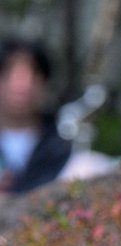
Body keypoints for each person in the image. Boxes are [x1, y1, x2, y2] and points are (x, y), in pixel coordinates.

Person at [0, 37, 71, 195]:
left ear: (44, 81)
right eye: (10, 73)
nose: (21, 85)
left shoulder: (66, 141)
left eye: (33, 73)